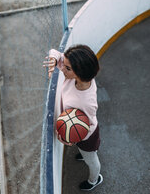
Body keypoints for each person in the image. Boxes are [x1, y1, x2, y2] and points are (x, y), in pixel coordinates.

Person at [43, 44, 103, 191]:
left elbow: (85, 126)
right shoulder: (78, 75)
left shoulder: (86, 102)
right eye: (65, 64)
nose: (62, 68)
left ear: (79, 72)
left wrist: (70, 138)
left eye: (67, 68)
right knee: (84, 152)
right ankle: (83, 153)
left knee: (91, 159)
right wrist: (53, 58)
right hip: (78, 128)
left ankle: (95, 179)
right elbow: (55, 52)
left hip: (87, 135)